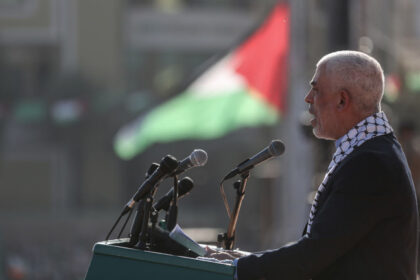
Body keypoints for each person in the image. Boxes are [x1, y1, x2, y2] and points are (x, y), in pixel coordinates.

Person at [206, 50, 418, 280]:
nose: (308, 98)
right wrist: (242, 260)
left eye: (316, 90)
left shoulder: (370, 163)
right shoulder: (372, 149)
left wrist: (239, 268)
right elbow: (324, 253)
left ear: (341, 100)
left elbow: (313, 255)